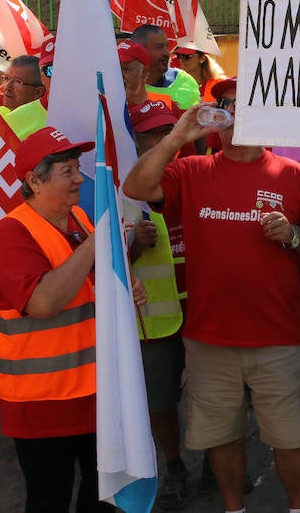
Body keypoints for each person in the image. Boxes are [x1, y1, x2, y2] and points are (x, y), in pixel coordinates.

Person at [123, 77, 300, 513]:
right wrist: (178, 137)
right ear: (214, 119)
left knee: (291, 438)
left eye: (246, 106)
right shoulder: (192, 170)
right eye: (227, 107)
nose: (236, 115)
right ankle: (233, 508)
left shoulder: (291, 175)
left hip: (277, 337)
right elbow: (136, 187)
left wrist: (293, 235)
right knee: (222, 437)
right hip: (209, 340)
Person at [0, 126, 141, 512]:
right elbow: (44, 302)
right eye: (66, 171)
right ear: (34, 181)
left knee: (102, 495)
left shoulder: (81, 220)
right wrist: (96, 242)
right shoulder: (11, 234)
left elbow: (89, 291)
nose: (78, 178)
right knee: (49, 498)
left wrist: (125, 294)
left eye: (76, 167)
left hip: (93, 393)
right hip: (43, 403)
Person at [125, 101, 189, 509]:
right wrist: (133, 244)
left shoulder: (196, 174)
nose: (162, 140)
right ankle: (174, 465)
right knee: (161, 402)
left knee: (213, 400)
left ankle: (215, 464)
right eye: (150, 133)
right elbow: (99, 265)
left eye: (168, 130)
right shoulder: (124, 191)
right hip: (157, 321)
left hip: (206, 313)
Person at [130, 25, 200, 111]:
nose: (167, 53)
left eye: (167, 46)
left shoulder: (184, 79)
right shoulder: (125, 90)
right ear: (140, 51)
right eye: (159, 47)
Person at [0, 55, 48, 140]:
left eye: (18, 81)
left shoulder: (42, 129)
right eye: (6, 78)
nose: (8, 86)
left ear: (38, 92)